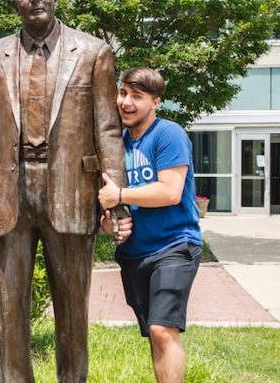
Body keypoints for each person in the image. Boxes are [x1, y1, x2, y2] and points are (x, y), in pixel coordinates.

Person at [0, 0, 127, 382]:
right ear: (14, 3)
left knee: (72, 310)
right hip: (8, 194)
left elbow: (107, 129)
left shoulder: (93, 53)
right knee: (9, 310)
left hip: (71, 191)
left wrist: (117, 199)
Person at [98, 67, 203, 383]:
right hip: (134, 253)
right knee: (156, 335)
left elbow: (170, 191)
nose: (126, 103)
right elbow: (109, 206)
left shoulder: (168, 134)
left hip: (174, 245)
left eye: (137, 97)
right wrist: (109, 226)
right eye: (123, 93)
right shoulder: (116, 145)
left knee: (162, 329)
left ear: (155, 101)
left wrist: (119, 193)